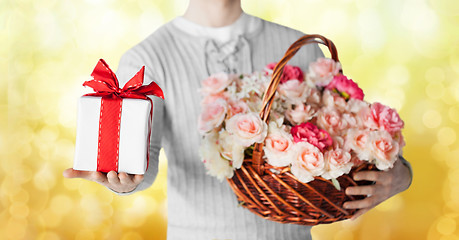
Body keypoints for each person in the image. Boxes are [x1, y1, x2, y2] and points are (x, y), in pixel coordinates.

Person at [64, 0, 413, 239]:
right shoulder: (148, 58)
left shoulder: (300, 47)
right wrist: (123, 182)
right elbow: (145, 162)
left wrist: (401, 175)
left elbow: (348, 141)